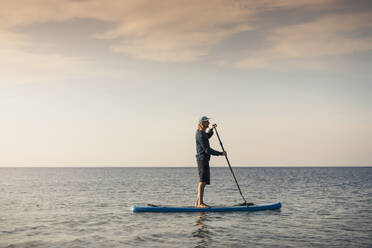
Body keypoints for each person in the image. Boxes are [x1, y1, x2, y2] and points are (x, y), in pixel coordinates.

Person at [195, 116, 226, 208]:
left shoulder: (203, 133)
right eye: (207, 122)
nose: (208, 123)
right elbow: (207, 150)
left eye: (208, 122)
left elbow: (207, 136)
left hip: (204, 159)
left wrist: (211, 130)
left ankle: (198, 203)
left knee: (204, 181)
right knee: (202, 181)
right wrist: (220, 153)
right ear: (202, 123)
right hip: (202, 159)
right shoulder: (200, 134)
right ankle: (200, 203)